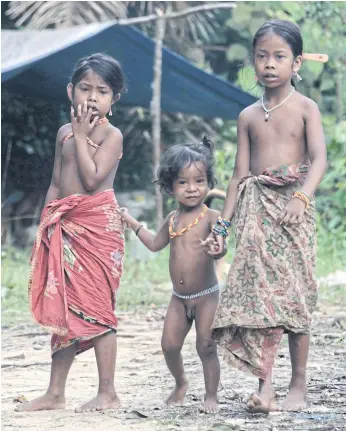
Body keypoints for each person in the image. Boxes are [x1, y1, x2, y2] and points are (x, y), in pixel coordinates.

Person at [204, 20, 328, 413]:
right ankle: (266, 385)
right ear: (253, 62)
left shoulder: (306, 107)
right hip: (256, 215)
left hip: (294, 213)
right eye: (262, 56)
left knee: (296, 295)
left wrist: (303, 199)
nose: (269, 64)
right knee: (261, 301)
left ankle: (299, 381)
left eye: (279, 56)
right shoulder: (247, 116)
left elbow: (320, 159)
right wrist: (222, 227)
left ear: (296, 64)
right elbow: (240, 176)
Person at [15, 53, 126, 413]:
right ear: (70, 91)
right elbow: (56, 184)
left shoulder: (112, 135)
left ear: (115, 99)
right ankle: (55, 392)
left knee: (97, 309)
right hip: (63, 227)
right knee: (63, 306)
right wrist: (47, 224)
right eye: (85, 88)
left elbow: (93, 179)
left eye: (102, 91)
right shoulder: (64, 133)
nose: (92, 97)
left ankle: (107, 391)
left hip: (97, 231)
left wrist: (81, 137)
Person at [119, 137, 223, 413]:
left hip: (206, 296)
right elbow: (155, 244)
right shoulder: (173, 219)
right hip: (179, 298)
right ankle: (180, 383)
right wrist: (133, 223)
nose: (192, 189)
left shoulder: (211, 216)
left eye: (199, 181)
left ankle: (211, 395)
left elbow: (220, 248)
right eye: (183, 182)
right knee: (169, 345)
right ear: (169, 186)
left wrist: (216, 249)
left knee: (206, 345)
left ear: (208, 182)